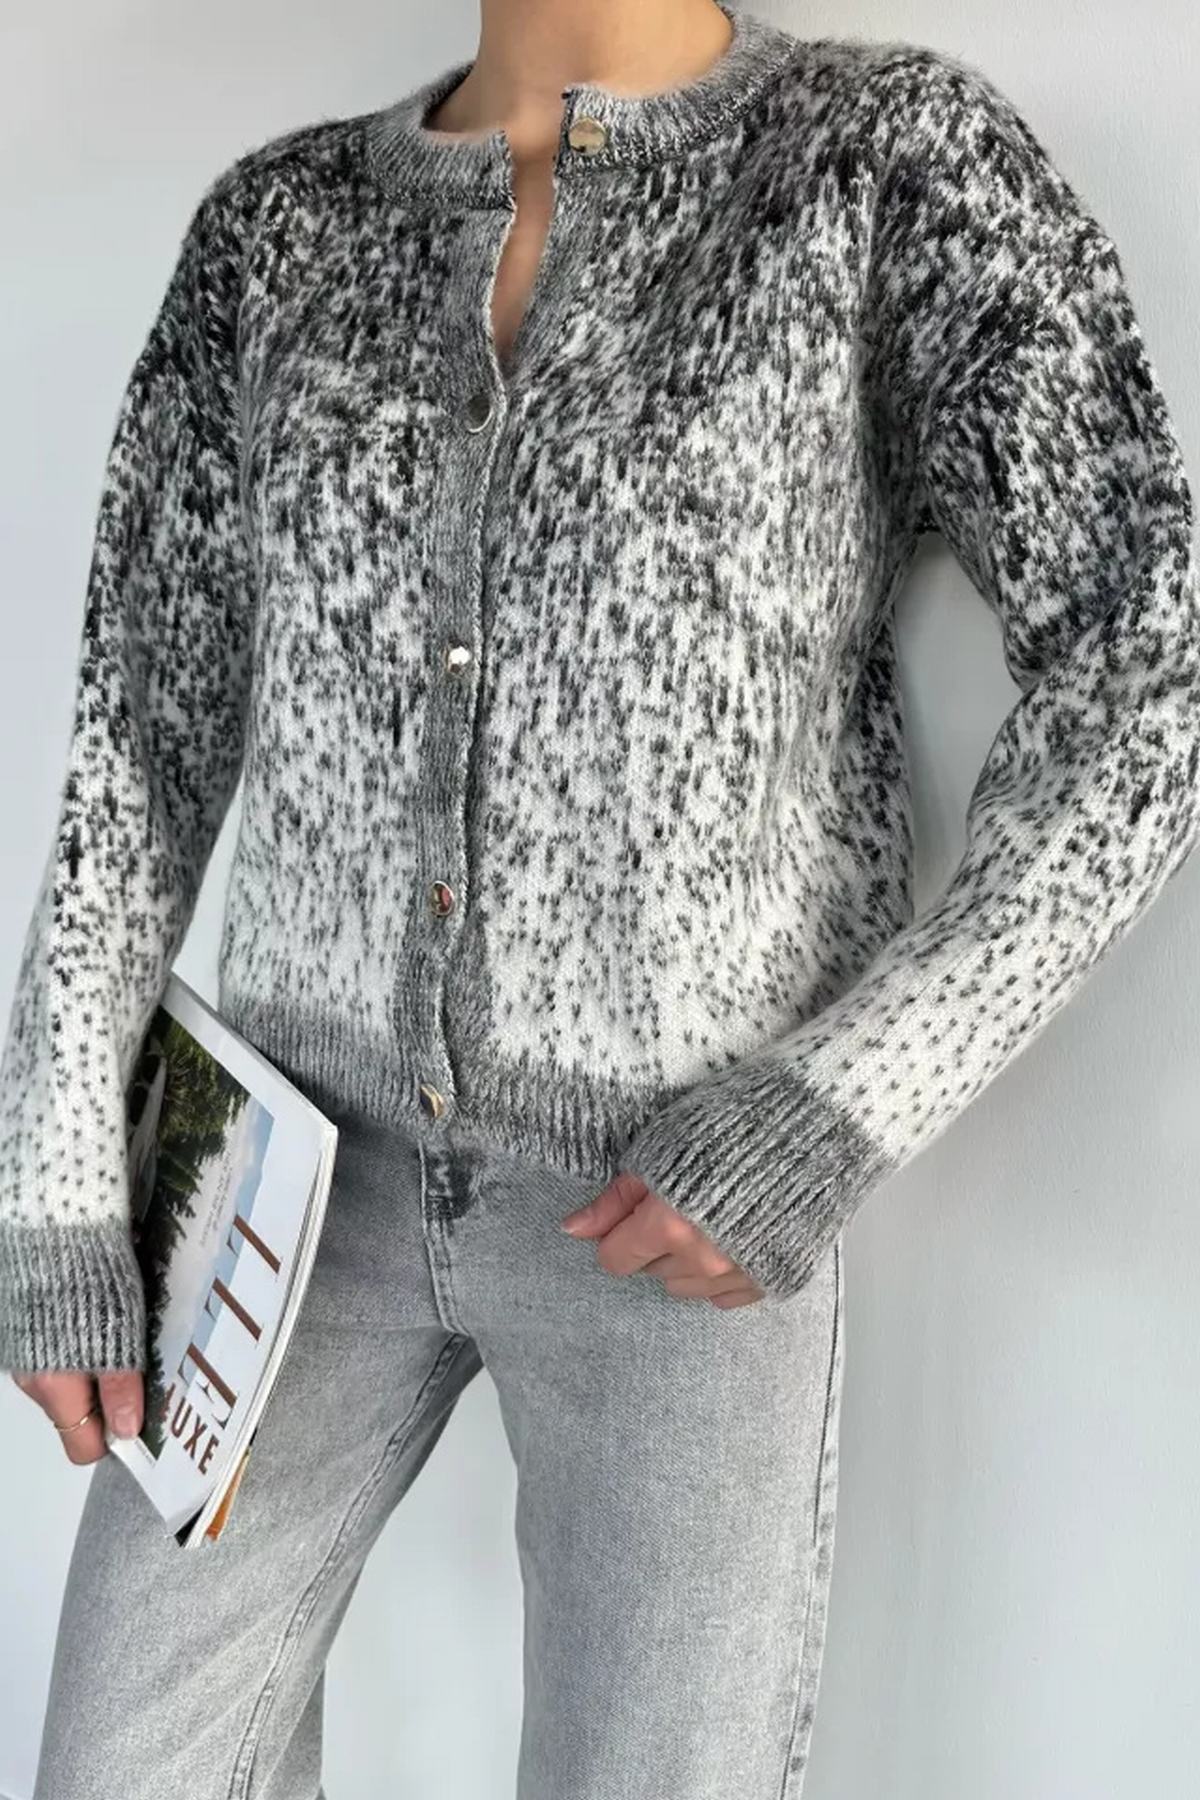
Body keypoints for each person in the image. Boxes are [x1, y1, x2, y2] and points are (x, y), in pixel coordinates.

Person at [3, 0, 1198, 1793]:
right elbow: (138, 742)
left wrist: (835, 1105)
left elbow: (1147, 666)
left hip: (673, 1209)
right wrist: (54, 1187)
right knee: (124, 1763)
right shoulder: (278, 229)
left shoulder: (882, 168)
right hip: (281, 1197)